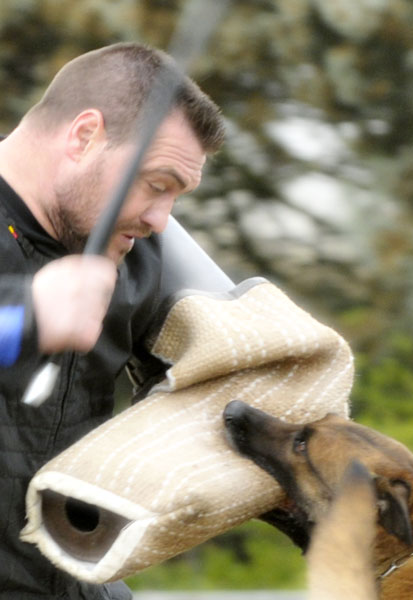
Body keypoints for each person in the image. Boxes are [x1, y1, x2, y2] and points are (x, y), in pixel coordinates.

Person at [0, 42, 225, 599]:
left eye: (177, 196)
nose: (161, 220)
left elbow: (251, 349)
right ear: (84, 136)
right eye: (157, 184)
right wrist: (25, 319)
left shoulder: (138, 249)